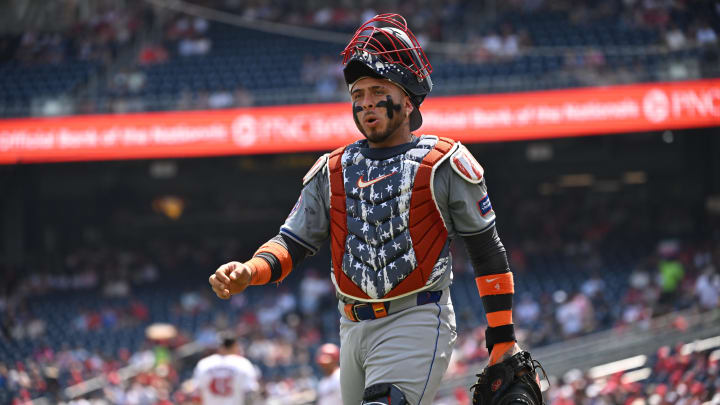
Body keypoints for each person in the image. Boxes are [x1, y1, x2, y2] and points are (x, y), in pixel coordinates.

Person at [209, 14, 542, 405]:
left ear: (406, 97)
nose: (365, 102)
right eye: (357, 94)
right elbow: (292, 242)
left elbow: (487, 251)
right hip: (350, 327)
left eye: (377, 89)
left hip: (416, 317)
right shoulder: (332, 169)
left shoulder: (444, 162)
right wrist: (250, 270)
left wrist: (502, 339)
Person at [192, 332, 260, 405]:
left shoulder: (204, 364)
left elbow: (197, 395)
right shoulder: (243, 364)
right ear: (235, 346)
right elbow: (249, 395)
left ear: (219, 347)